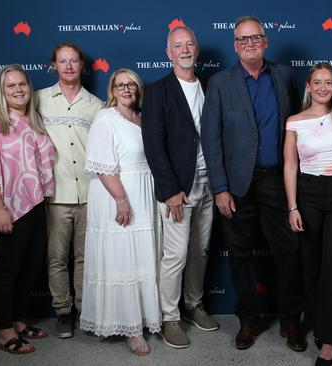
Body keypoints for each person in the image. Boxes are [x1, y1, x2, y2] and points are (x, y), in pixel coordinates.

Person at [0, 44, 103, 339]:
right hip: (29, 203)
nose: (18, 90)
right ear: (53, 65)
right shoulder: (29, 105)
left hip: (58, 199)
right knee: (36, 262)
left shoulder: (90, 106)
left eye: (73, 61)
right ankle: (47, 318)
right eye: (62, 61)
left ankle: (70, 314)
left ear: (82, 65)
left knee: (48, 262)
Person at [201, 16, 305, 352]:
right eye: (242, 39)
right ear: (235, 45)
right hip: (237, 186)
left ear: (265, 41)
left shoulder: (284, 75)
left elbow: (296, 126)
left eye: (255, 37)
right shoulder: (219, 83)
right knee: (241, 255)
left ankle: (290, 320)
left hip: (277, 182)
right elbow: (211, 140)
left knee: (288, 252)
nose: (249, 43)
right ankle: (248, 319)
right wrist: (219, 188)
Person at [0, 64, 55, 354]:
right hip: (8, 208)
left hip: (35, 204)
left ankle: (18, 321)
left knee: (31, 267)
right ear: (0, 91)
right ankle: (4, 331)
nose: (18, 90)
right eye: (11, 86)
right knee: (8, 270)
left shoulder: (36, 120)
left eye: (22, 84)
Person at [142, 26, 219, 349]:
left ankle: (193, 304)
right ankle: (169, 317)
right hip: (178, 188)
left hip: (209, 183)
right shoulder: (158, 91)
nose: (185, 49)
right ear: (168, 53)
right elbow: (154, 145)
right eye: (178, 45)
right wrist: (170, 189)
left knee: (200, 250)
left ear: (196, 50)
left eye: (190, 44)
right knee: (175, 254)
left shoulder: (209, 87)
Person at [79, 68, 161, 356]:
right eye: (120, 85)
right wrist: (122, 199)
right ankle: (131, 329)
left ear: (138, 89)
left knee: (140, 258)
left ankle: (142, 318)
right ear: (112, 90)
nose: (126, 89)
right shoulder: (105, 118)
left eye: (131, 85)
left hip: (143, 191)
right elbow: (102, 166)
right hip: (119, 194)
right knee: (123, 260)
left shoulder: (141, 117)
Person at [283, 62, 332, 365]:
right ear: (308, 86)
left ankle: (329, 338)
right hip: (308, 192)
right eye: (317, 81)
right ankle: (315, 317)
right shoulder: (295, 121)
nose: (323, 87)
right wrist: (292, 206)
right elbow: (290, 165)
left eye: (329, 82)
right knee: (309, 263)